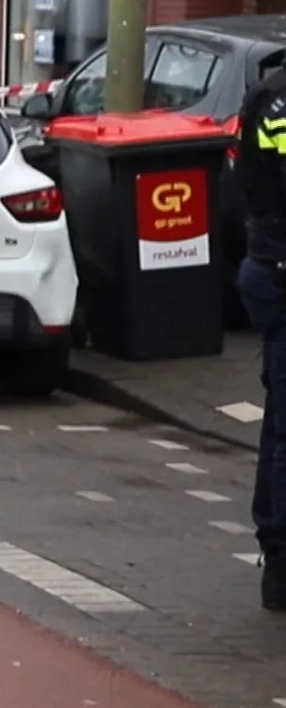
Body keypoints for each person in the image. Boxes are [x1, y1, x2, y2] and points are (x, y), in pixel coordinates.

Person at [234, 61, 286, 611]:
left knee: (278, 421)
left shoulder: (264, 94)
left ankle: (276, 556)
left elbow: (245, 177)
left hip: (266, 265)